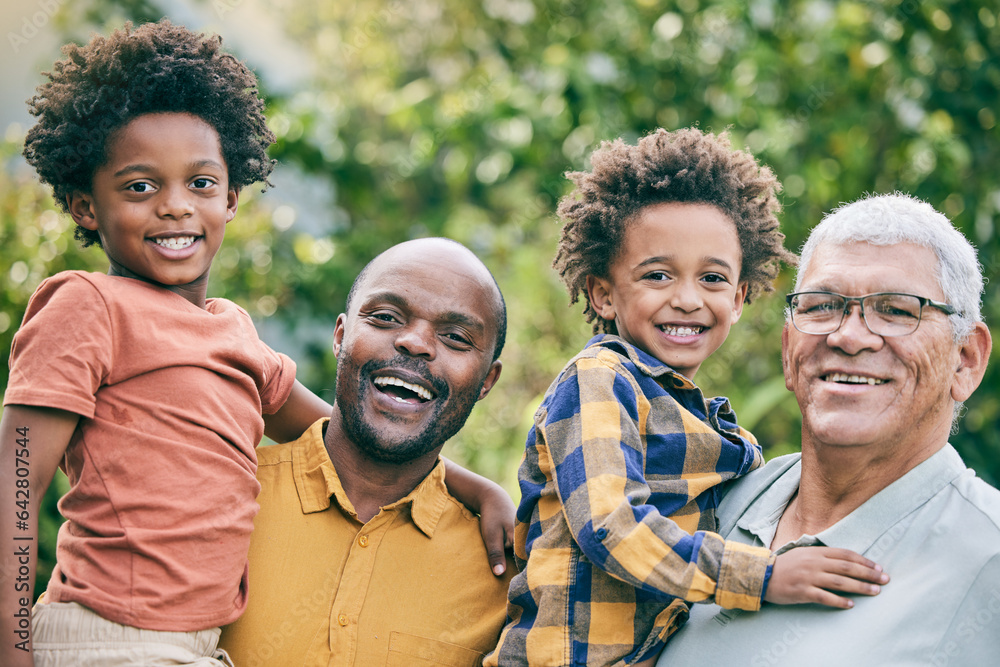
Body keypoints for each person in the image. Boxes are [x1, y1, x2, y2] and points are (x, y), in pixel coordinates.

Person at [0, 21, 510, 666]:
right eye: (139, 186)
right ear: (84, 206)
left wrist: (476, 489)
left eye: (201, 184)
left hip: (193, 649)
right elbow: (16, 488)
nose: (175, 206)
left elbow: (339, 434)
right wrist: (12, 650)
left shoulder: (233, 336)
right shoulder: (86, 306)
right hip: (106, 637)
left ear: (232, 200)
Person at [486, 128, 888, 667]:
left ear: (740, 297)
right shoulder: (601, 380)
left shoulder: (712, 427)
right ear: (604, 293)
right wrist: (763, 576)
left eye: (713, 278)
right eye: (657, 275)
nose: (687, 298)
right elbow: (612, 528)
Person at [656, 193, 1000, 666]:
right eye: (822, 306)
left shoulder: (988, 557)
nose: (848, 336)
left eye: (897, 310)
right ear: (788, 351)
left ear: (966, 360)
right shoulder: (713, 499)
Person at [217, 237, 516, 666]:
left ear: (487, 381)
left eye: (455, 337)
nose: (415, 342)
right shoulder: (223, 495)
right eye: (386, 317)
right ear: (340, 336)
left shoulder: (507, 572)